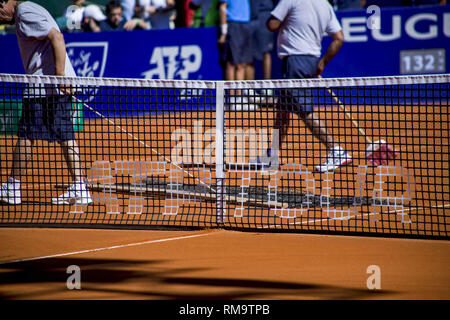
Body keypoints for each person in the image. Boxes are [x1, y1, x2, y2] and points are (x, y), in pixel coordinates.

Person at [0, 0, 92, 205]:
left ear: (4, 4)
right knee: (65, 134)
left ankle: (12, 188)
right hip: (50, 85)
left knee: (26, 134)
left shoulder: (24, 12)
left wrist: (59, 77)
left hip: (44, 85)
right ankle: (79, 188)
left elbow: (56, 37)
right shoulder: (29, 10)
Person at [263, 0, 352, 173]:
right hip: (309, 61)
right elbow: (339, 38)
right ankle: (271, 155)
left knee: (303, 110)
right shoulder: (324, 4)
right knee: (283, 111)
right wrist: (322, 62)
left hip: (295, 61)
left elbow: (272, 25)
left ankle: (336, 150)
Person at [218, 0, 255, 110]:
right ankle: (232, 98)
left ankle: (239, 97)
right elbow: (222, 8)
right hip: (233, 25)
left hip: (246, 24)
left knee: (243, 63)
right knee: (232, 63)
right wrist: (224, 32)